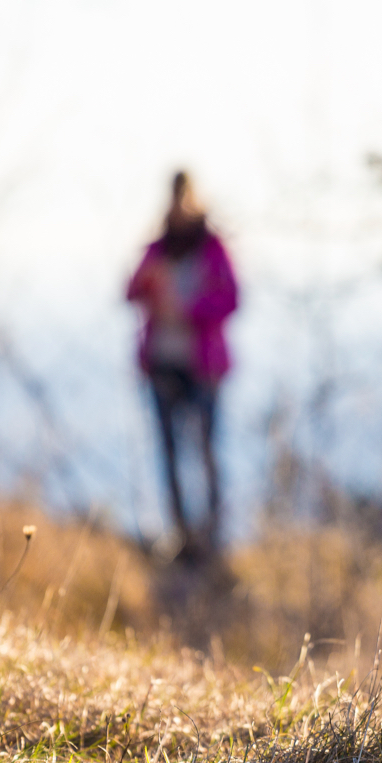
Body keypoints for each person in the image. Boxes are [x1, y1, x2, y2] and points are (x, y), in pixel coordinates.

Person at [126, 171, 239, 559]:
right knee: (169, 450)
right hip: (161, 362)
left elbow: (232, 299)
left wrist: (189, 311)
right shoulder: (158, 249)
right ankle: (181, 535)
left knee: (206, 449)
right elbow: (128, 291)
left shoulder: (213, 247)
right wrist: (149, 284)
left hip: (203, 366)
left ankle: (213, 536)